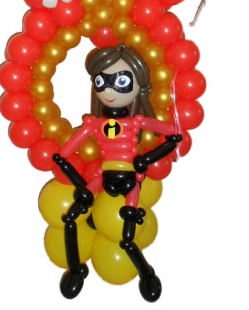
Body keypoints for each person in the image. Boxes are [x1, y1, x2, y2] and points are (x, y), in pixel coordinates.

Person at [53, 43, 181, 302]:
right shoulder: (94, 124)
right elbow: (62, 155)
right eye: (102, 82)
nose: (109, 90)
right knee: (70, 219)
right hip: (102, 178)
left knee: (127, 239)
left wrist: (145, 160)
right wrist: (80, 184)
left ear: (139, 85)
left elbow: (173, 136)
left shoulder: (137, 122)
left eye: (121, 81)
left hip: (131, 180)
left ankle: (147, 275)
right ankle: (76, 269)